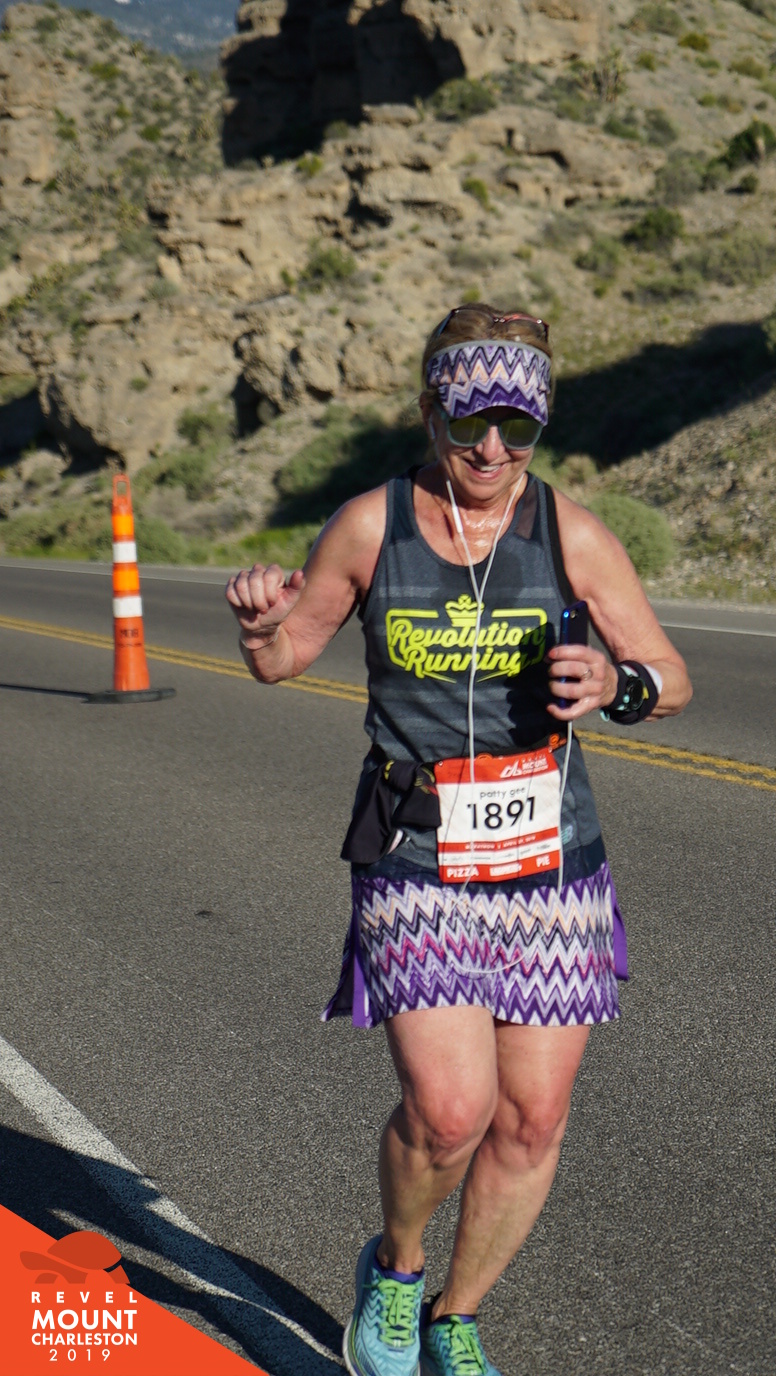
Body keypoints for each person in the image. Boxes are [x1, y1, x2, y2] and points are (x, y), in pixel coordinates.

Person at [226, 303, 692, 1376]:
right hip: (415, 849)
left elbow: (670, 677)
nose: (491, 448)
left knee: (530, 1120)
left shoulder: (571, 534)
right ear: (430, 412)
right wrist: (259, 626)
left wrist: (618, 681)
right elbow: (286, 654)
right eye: (470, 421)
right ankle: (395, 1272)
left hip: (550, 861)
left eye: (516, 426)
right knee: (449, 1112)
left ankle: (455, 1316)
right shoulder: (369, 526)